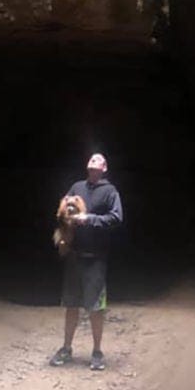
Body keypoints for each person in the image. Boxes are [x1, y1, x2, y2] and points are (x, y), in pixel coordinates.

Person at [49, 153, 123, 372]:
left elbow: (116, 218)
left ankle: (97, 352)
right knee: (70, 304)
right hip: (74, 256)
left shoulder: (110, 192)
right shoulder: (77, 187)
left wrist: (89, 219)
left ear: (104, 168)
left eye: (96, 164)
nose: (92, 168)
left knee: (95, 307)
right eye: (90, 164)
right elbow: (62, 209)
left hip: (96, 258)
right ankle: (66, 348)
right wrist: (67, 217)